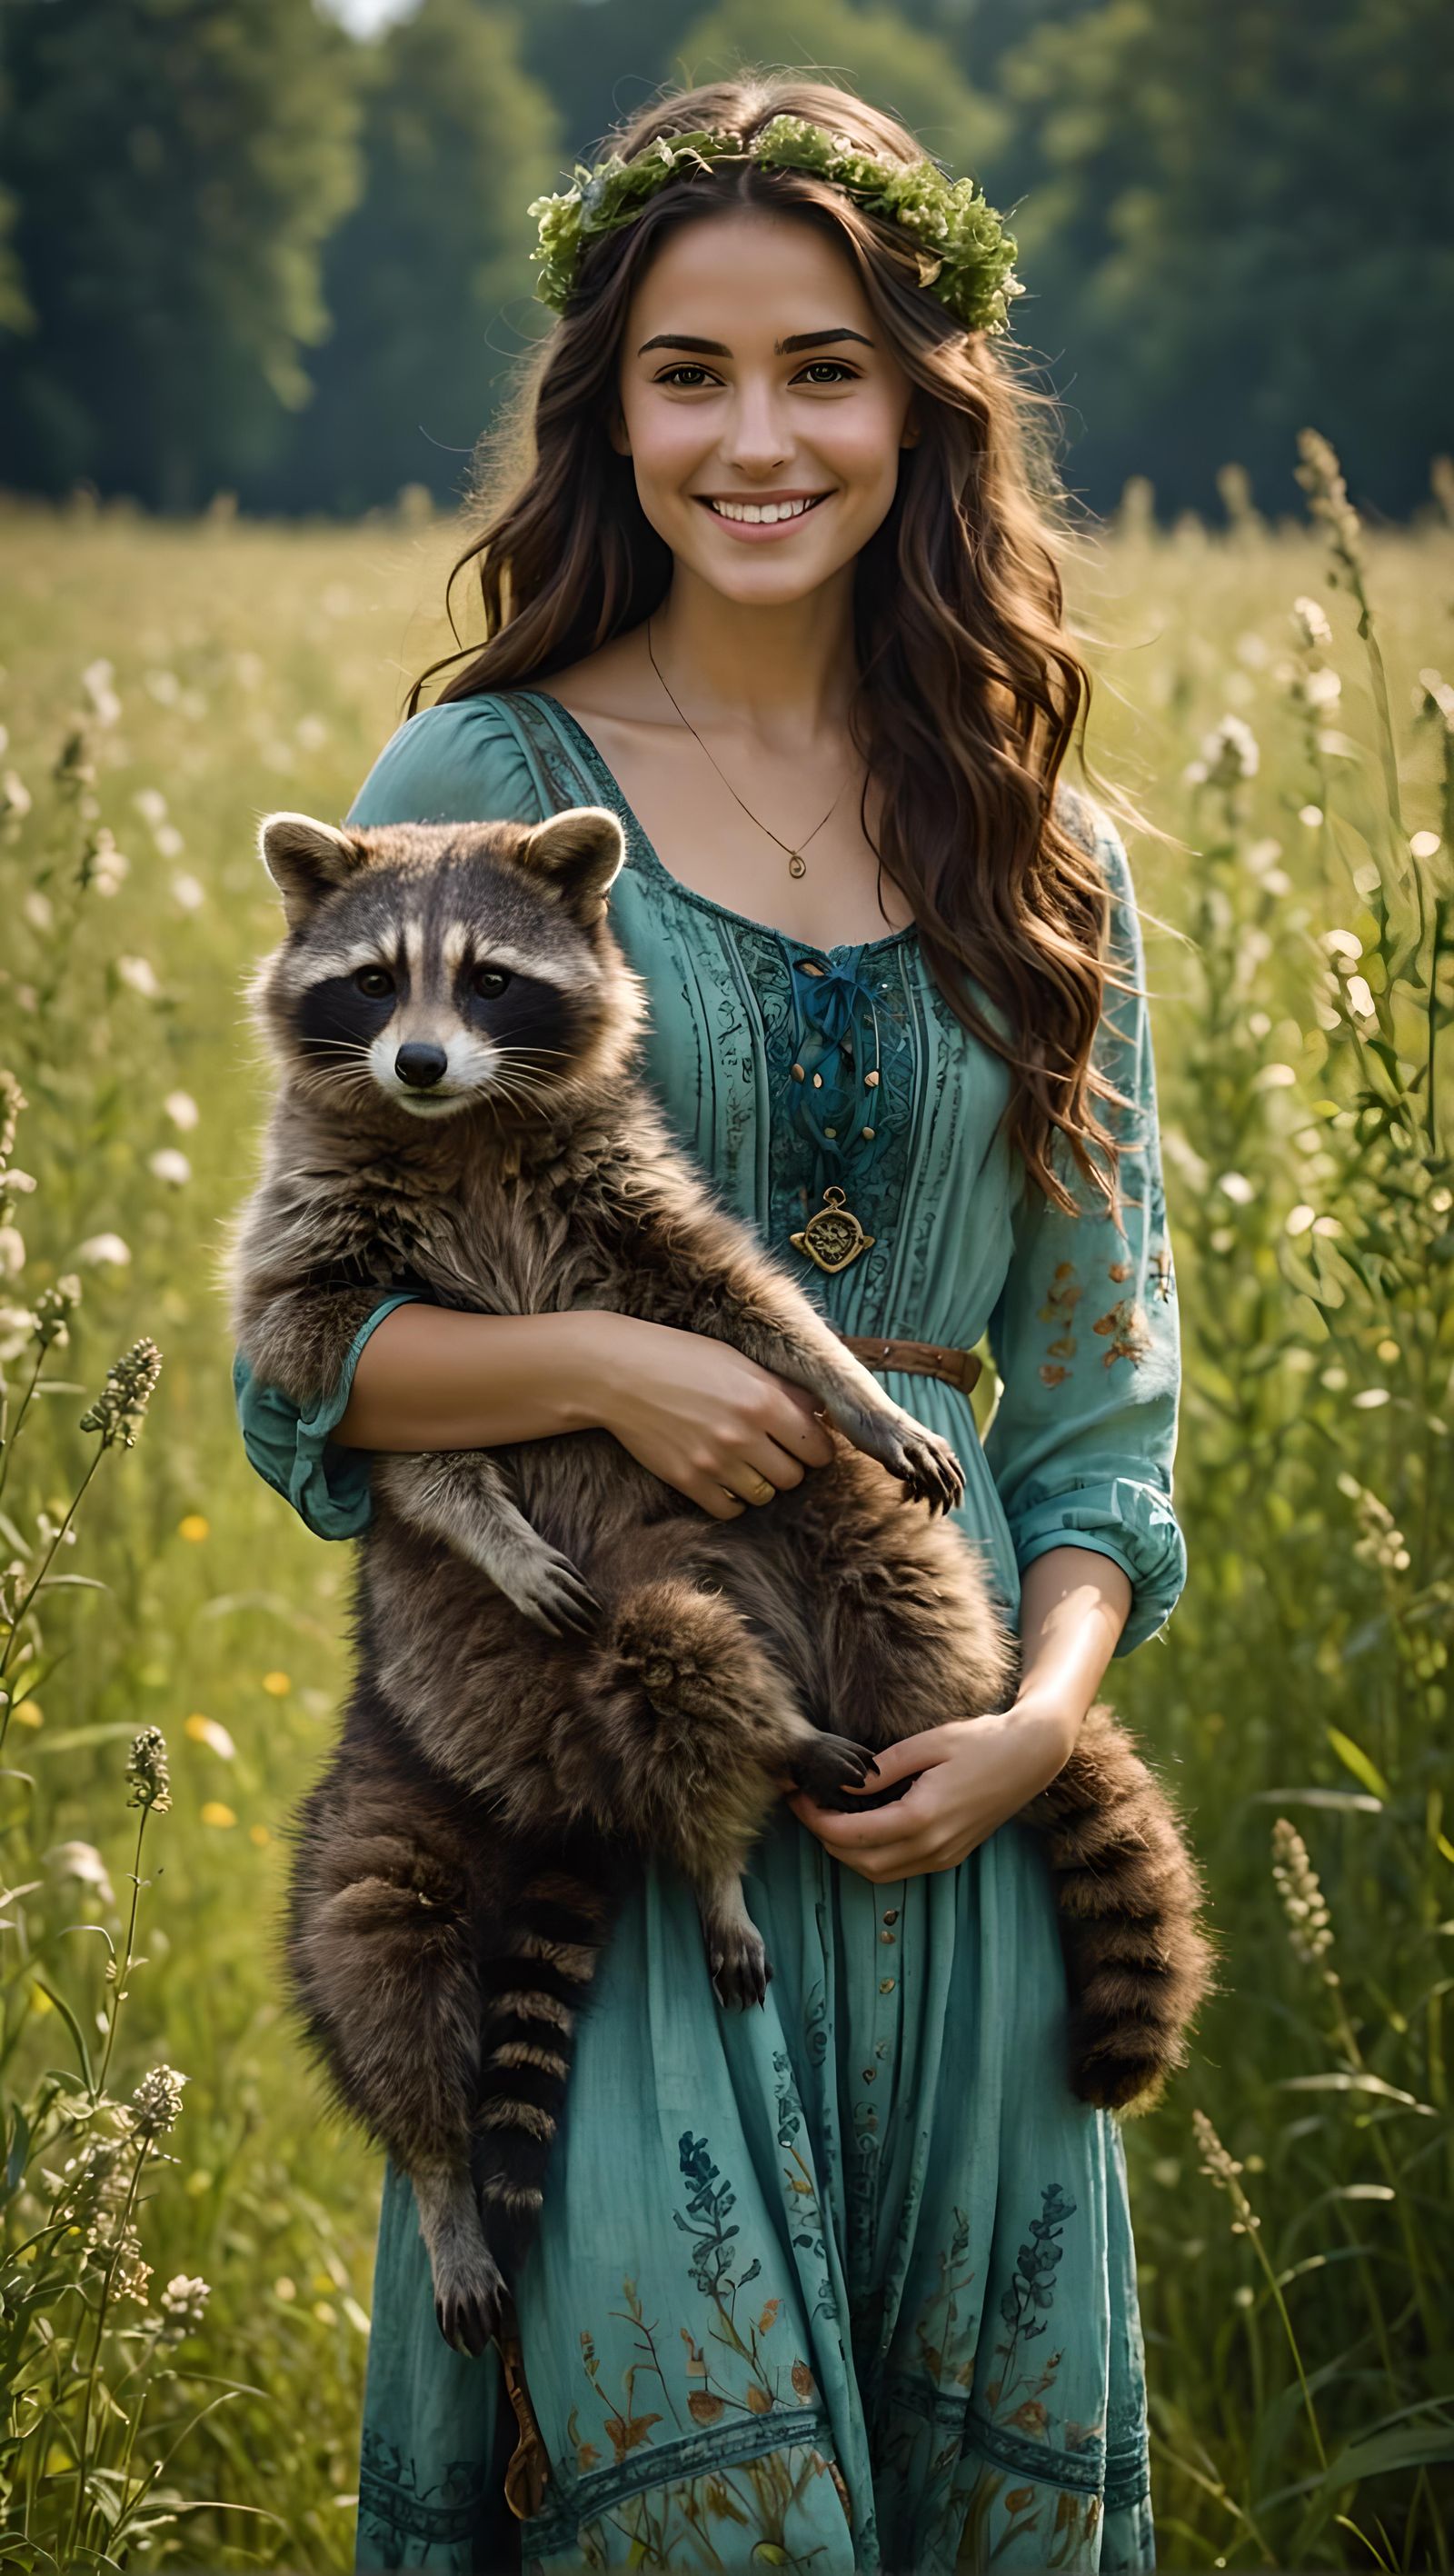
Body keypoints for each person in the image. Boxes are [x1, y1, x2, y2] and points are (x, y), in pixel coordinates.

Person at [233, 72, 1187, 2576]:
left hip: (942, 1781)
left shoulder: (1036, 839)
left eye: (824, 367)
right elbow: (301, 1365)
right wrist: (617, 1365)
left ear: (923, 402)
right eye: (689, 372)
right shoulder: (481, 776)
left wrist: (1038, 1731)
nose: (756, 437)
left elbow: (1102, 1417)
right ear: (607, 404)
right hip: (615, 1805)